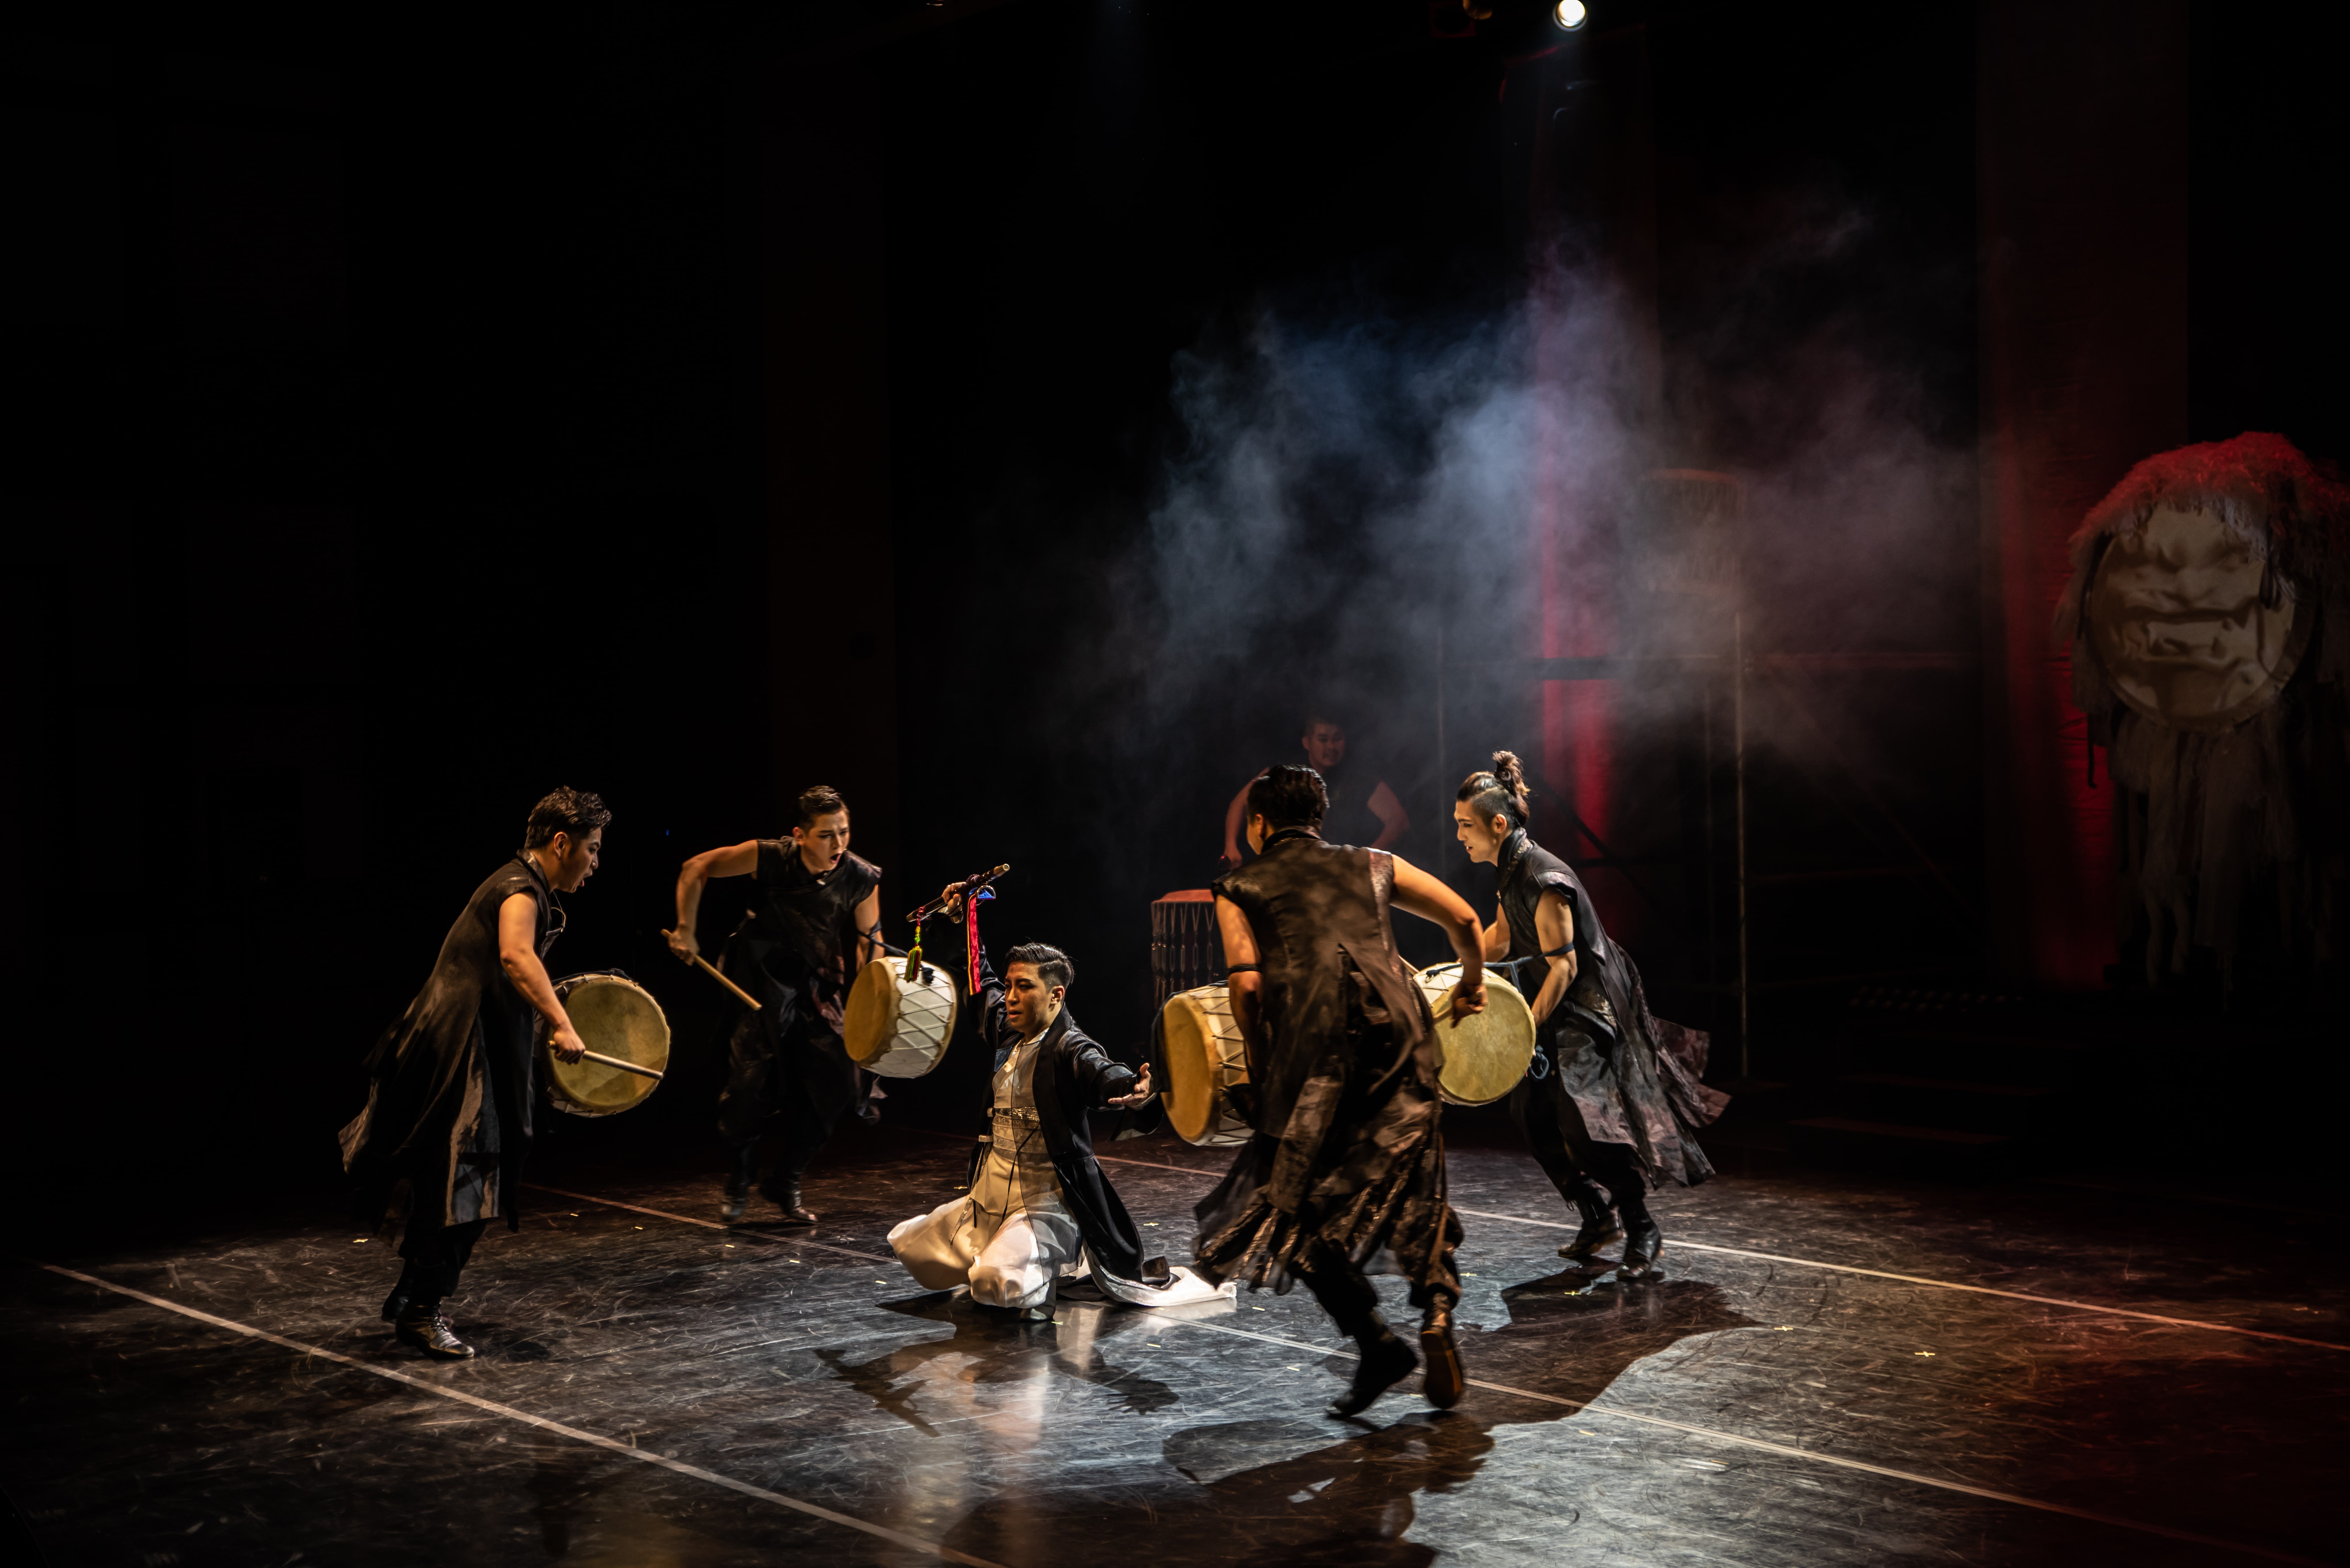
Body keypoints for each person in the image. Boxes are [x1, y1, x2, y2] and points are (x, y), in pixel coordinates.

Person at [1194, 764, 1488, 1418]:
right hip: (1401, 1042)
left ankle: (1376, 1342)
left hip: (1315, 1055)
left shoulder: (1238, 885)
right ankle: (1438, 1312)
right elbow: (1465, 918)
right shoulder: (1373, 863)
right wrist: (1471, 982)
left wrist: (1260, 1071)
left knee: (1292, 1208)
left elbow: (1247, 986)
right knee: (1418, 1183)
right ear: (1318, 818)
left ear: (1259, 823)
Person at [340, 786, 610, 1361]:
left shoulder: (520, 883)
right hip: (460, 1047)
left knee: (458, 1176)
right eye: (592, 849)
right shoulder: (519, 889)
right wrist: (561, 1022)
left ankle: (413, 1294)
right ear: (561, 843)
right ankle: (422, 1309)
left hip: (463, 1040)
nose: (595, 863)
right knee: (467, 1180)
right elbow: (516, 955)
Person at [1453, 751, 1726, 1278]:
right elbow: (1503, 937)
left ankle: (1641, 1226)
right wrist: (1454, 969)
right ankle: (1597, 1215)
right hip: (1555, 1005)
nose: (1460, 834)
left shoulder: (1543, 876)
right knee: (1529, 1112)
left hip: (1587, 1005)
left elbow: (1564, 967)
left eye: (1467, 825)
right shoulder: (1510, 870)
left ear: (1498, 825)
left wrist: (1525, 1030)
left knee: (1582, 1121)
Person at [889, 922, 1232, 1318]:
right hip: (990, 1196)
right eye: (1010, 985)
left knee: (995, 1281)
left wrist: (1134, 1089)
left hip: (1044, 1202)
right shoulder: (1008, 1031)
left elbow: (1103, 1073)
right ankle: (1031, 1259)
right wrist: (961, 922)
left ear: (1056, 995)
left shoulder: (1071, 1048)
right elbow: (981, 983)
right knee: (913, 1249)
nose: (1011, 997)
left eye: (1024, 987)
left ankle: (1049, 1267)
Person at [670, 785, 883, 1225]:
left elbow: (870, 941)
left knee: (839, 1082)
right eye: (826, 835)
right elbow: (696, 868)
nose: (839, 844)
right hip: (760, 979)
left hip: (817, 983)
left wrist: (871, 1000)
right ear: (800, 835)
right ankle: (741, 1174)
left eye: (844, 832)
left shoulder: (859, 876)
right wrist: (686, 928)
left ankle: (786, 1180)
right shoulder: (771, 857)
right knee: (746, 1088)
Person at [1222, 714, 1409, 866]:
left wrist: (1368, 858)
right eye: (1323, 740)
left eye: (1337, 739)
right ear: (1307, 743)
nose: (1331, 746)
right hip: (1294, 869)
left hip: (1341, 873)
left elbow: (1398, 821)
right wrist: (1231, 847)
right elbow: (1240, 803)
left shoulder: (1358, 777)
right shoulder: (1286, 773)